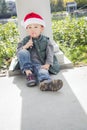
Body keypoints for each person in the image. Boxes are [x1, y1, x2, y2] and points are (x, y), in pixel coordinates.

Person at [16, 12, 63, 91]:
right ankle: (29, 75)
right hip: (28, 66)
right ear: (26, 29)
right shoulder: (25, 40)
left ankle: (45, 83)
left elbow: (50, 53)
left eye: (35, 27)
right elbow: (18, 53)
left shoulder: (46, 40)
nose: (32, 29)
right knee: (22, 51)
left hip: (40, 65)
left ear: (41, 28)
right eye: (29, 27)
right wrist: (25, 46)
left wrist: (47, 64)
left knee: (43, 71)